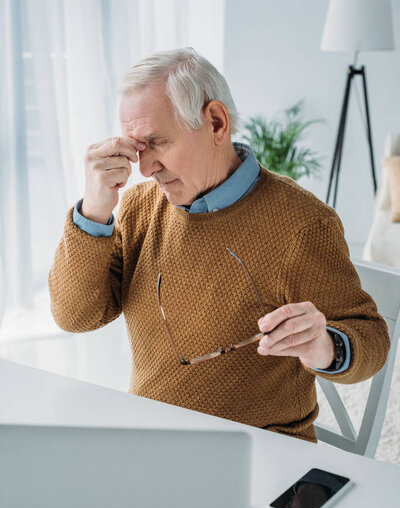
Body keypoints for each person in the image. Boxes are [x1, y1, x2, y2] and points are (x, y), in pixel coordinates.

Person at [48, 47, 390, 443]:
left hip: (261, 452)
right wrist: (93, 211)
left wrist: (326, 346)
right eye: (137, 149)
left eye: (157, 142)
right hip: (154, 442)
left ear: (215, 123)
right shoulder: (138, 209)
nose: (144, 168)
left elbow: (372, 339)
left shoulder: (302, 224)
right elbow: (75, 316)